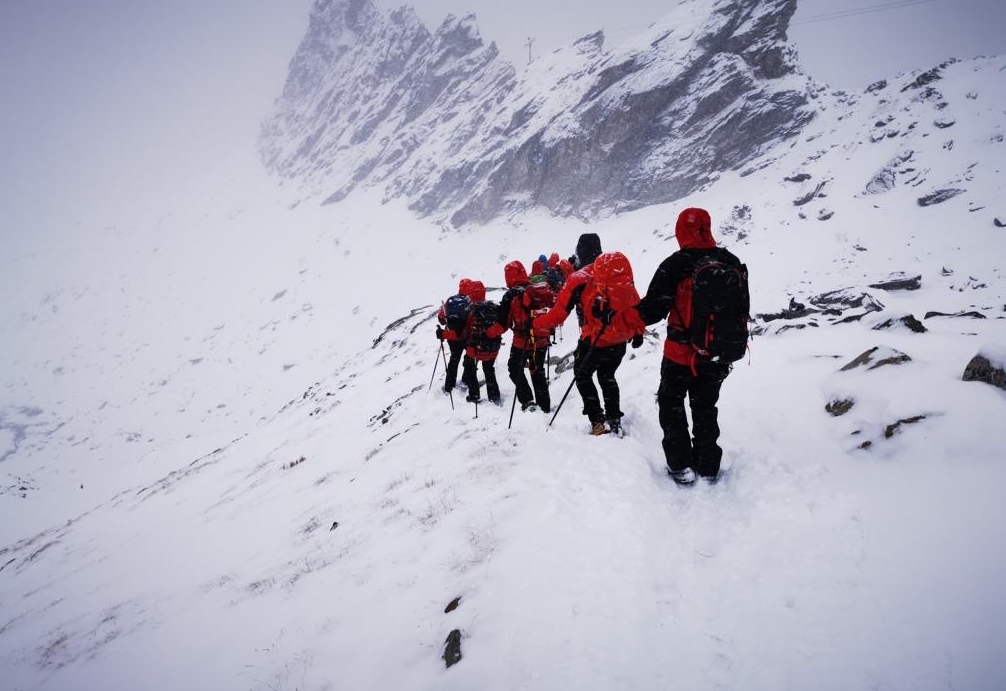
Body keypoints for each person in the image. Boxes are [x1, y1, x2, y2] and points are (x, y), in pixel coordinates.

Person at [616, 207, 745, 485]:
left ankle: (681, 466)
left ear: (681, 231)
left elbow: (651, 310)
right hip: (717, 353)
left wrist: (621, 320)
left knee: (671, 403)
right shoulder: (730, 260)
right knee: (705, 407)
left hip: (679, 354)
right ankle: (708, 466)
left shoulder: (675, 264)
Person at [533, 236, 643, 435]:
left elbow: (558, 315)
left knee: (583, 376)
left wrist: (536, 324)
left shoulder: (578, 279)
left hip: (594, 341)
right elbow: (634, 301)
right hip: (619, 338)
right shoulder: (614, 272)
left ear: (580, 252)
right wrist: (638, 330)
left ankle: (597, 422)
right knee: (607, 376)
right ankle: (614, 419)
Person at [489, 260, 554, 413]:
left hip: (521, 341)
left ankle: (528, 401)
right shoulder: (535, 289)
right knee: (537, 371)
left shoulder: (511, 296)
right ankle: (544, 407)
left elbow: (502, 326)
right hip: (541, 339)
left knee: (514, 368)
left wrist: (488, 334)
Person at [436, 278, 483, 394]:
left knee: (454, 359)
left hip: (452, 337)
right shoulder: (471, 301)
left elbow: (441, 318)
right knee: (469, 360)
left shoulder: (451, 300)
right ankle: (466, 381)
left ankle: (449, 386)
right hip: (467, 336)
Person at [462, 290, 502, 405]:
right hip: (492, 347)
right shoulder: (493, 308)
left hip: (475, 348)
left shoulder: (471, 311)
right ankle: (494, 397)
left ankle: (474, 395)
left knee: (469, 367)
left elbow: (466, 330)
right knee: (489, 370)